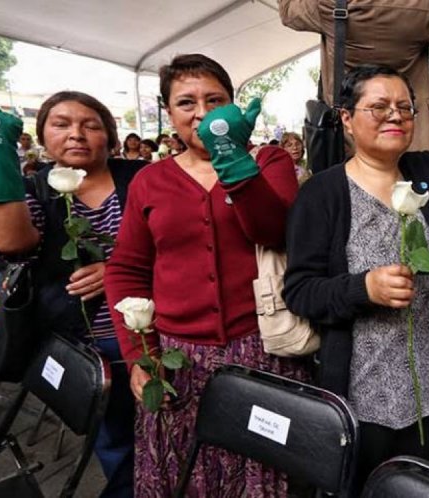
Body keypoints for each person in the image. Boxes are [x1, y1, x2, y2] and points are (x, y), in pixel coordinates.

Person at [283, 64, 429, 491]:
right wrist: (363, 288)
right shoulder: (322, 193)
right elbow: (299, 290)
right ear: (346, 118)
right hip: (358, 395)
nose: (395, 116)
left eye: (405, 107)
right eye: (379, 107)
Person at [104, 54, 308, 497]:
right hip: (178, 359)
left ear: (234, 105)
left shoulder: (269, 160)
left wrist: (232, 158)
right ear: (169, 113)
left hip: (262, 349)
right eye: (186, 103)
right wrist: (140, 354)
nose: (202, 113)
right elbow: (126, 269)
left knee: (264, 473)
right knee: (185, 470)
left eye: (215, 100)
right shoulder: (149, 181)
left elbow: (274, 231)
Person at [0, 92, 141, 498]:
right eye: (61, 124)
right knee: (114, 435)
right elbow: (11, 242)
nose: (76, 134)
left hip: (147, 330)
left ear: (109, 136)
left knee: (162, 427)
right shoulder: (35, 190)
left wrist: (117, 273)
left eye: (90, 125)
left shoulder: (140, 178)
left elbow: (179, 244)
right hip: (82, 342)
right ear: (42, 136)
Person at [278, 0, 429, 151]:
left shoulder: (328, 4)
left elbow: (288, 11)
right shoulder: (423, 7)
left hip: (352, 139)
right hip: (413, 138)